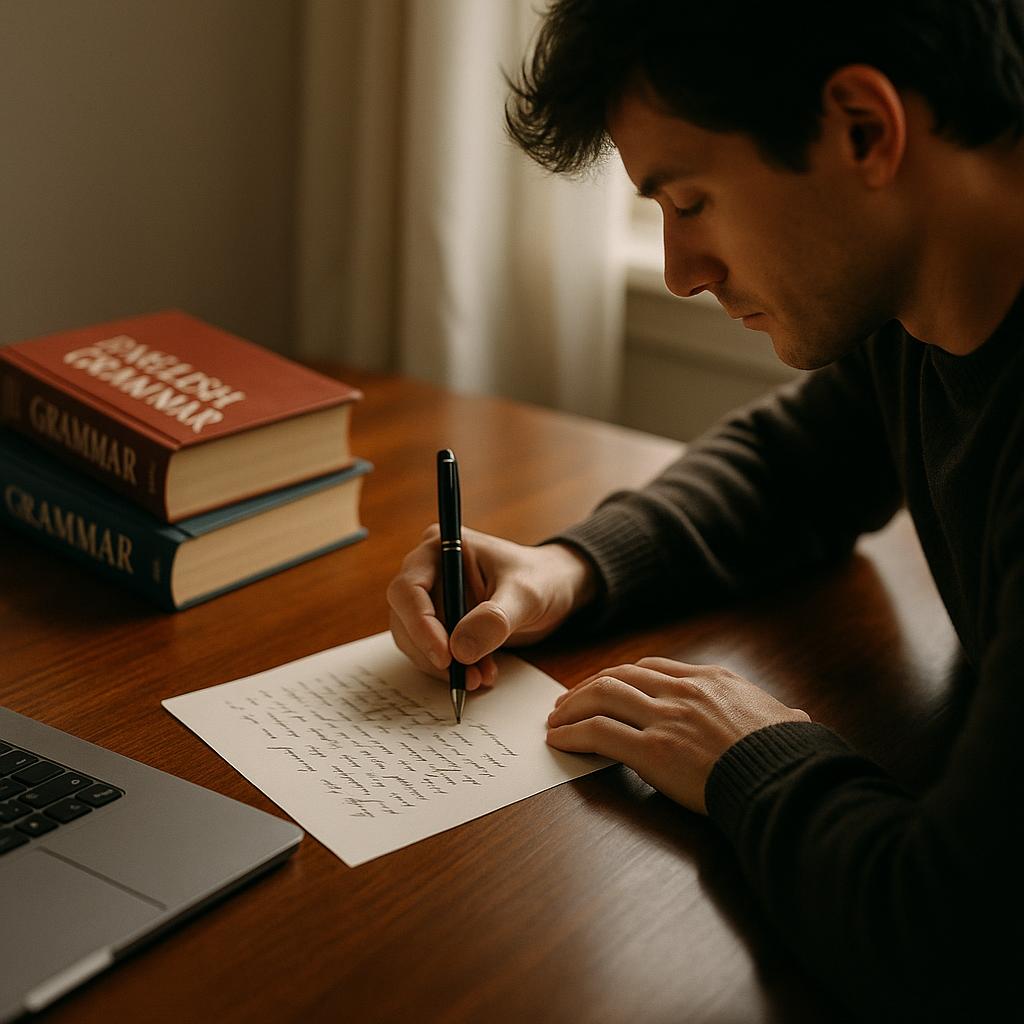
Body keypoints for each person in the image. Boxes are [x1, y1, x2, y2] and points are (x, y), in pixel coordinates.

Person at [386, 2, 1024, 1019]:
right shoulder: (925, 301)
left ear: (864, 127)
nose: (683, 271)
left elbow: (945, 936)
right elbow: (796, 463)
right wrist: (565, 570)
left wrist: (749, 751)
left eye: (688, 201)